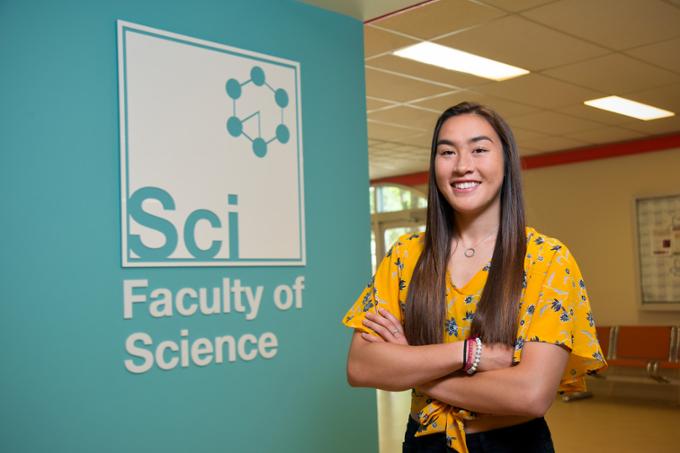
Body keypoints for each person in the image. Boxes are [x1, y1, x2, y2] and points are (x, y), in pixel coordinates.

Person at [343, 102, 607, 453]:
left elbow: (530, 394)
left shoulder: (547, 260)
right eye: (447, 152)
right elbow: (362, 367)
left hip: (512, 444)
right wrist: (470, 354)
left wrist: (414, 365)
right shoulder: (406, 256)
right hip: (424, 442)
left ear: (505, 161)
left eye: (479, 149)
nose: (463, 166)